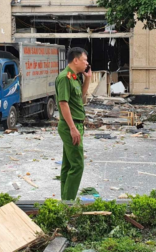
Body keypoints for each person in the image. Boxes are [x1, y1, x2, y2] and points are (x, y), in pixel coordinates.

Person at [55, 47, 92, 200]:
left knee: (69, 165)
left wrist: (88, 78)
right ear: (75, 60)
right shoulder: (64, 77)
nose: (87, 63)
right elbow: (63, 103)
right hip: (71, 126)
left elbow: (80, 97)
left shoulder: (74, 77)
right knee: (77, 165)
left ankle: (65, 200)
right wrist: (72, 128)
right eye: (84, 60)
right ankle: (68, 203)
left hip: (76, 125)